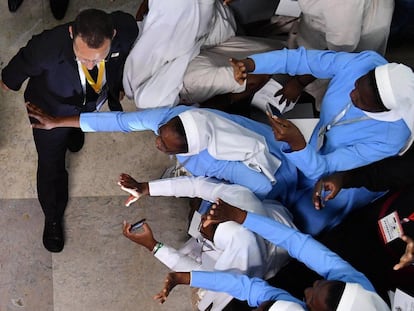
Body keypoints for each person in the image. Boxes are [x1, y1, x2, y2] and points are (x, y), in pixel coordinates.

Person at [230, 47, 414, 235]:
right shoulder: (364, 63)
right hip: (313, 147)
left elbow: (326, 168)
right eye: (356, 85)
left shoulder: (393, 136)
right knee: (264, 183)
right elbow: (302, 60)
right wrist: (252, 64)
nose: (352, 95)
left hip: (346, 179)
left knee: (302, 222)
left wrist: (298, 145)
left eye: (361, 99)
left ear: (383, 110)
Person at [0, 9, 138, 252]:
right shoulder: (44, 48)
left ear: (113, 35)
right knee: (51, 165)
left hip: (89, 105)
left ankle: (74, 131)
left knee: (75, 132)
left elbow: (126, 55)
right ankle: (52, 215)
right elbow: (8, 81)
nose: (92, 64)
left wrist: (120, 82)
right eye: (84, 58)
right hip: (50, 111)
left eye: (99, 58)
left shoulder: (126, 29)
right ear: (71, 33)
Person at [151, 199, 390, 311]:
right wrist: (242, 216)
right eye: (322, 282)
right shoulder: (355, 287)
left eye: (309, 297)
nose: (313, 283)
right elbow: (253, 288)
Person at [26, 104, 293, 200]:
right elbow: (120, 121)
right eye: (160, 135)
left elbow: (260, 190)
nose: (157, 143)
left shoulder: (211, 164)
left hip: (276, 176)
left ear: (190, 151)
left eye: (165, 146)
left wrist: (148, 188)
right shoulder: (174, 117)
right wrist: (57, 122)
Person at [120, 174, 295, 311]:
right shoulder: (236, 199)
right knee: (196, 211)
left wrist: (153, 245)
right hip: (269, 225)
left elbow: (201, 275)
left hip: (261, 254)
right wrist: (146, 188)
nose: (205, 218)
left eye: (208, 225)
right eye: (210, 215)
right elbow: (196, 186)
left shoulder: (236, 269)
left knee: (195, 223)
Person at [123, 0, 285, 110]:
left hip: (274, 57)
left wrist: (224, 102)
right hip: (245, 41)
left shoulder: (192, 79)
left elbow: (254, 80)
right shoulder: (165, 52)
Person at [277, 0, 395, 109]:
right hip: (332, 26)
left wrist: (299, 82)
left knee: (339, 88)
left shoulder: (341, 5)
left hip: (349, 38)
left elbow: (338, 52)